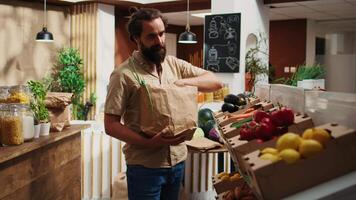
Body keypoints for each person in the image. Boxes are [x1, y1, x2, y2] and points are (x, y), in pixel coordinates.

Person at [104, 7, 222, 200]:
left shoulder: (174, 65)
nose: (159, 42)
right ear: (136, 38)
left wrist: (184, 82)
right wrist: (148, 143)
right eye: (151, 36)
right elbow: (110, 125)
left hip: (178, 162)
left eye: (161, 34)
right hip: (145, 167)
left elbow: (214, 81)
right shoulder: (123, 75)